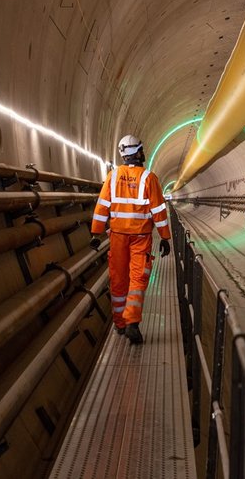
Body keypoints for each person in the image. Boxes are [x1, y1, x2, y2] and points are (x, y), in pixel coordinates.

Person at [89, 135, 171, 344]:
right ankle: (132, 322)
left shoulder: (113, 176)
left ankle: (120, 323)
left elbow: (102, 206)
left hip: (117, 237)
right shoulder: (148, 178)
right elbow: (159, 211)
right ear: (139, 152)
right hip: (140, 238)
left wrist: (96, 232)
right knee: (137, 279)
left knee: (118, 278)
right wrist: (165, 237)